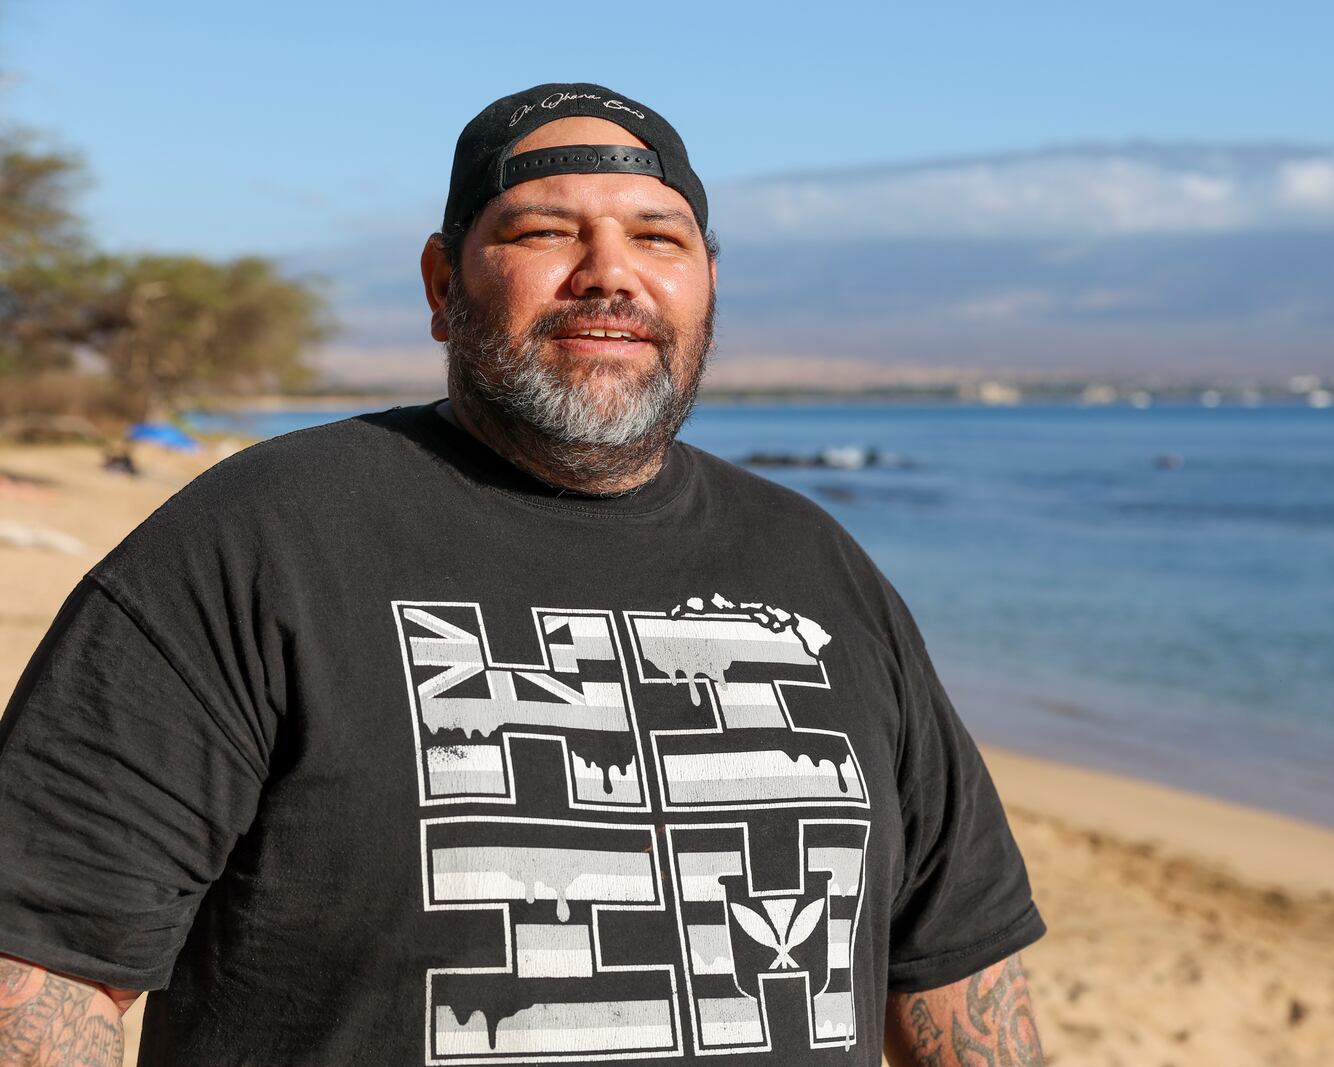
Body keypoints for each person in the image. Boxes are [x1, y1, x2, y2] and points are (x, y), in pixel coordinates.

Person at [0, 83, 1045, 1065]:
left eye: (657, 237)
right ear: (442, 283)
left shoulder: (819, 568)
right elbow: (45, 971)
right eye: (544, 232)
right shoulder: (259, 540)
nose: (609, 273)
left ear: (707, 283)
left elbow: (957, 973)